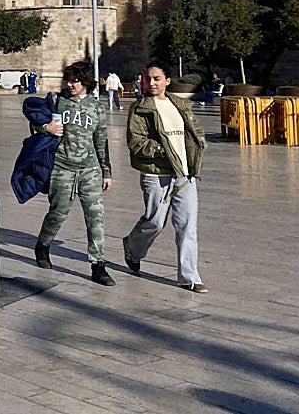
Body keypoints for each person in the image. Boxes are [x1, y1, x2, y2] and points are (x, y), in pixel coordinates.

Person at [122, 63, 208, 293]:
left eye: (157, 78)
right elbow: (136, 142)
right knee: (155, 222)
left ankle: (189, 277)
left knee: (187, 226)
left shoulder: (180, 105)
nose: (152, 83)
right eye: (148, 79)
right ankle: (132, 248)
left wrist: (199, 144)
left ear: (167, 81)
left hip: (184, 174)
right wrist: (162, 150)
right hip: (156, 173)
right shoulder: (140, 108)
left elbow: (195, 130)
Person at [32, 60, 115, 286]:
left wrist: (106, 172)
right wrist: (45, 128)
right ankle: (43, 244)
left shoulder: (96, 108)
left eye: (76, 80)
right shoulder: (57, 102)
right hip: (62, 168)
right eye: (68, 80)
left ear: (86, 82)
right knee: (58, 213)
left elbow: (101, 142)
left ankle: (98, 265)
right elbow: (35, 124)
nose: (71, 84)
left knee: (95, 216)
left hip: (89, 170)